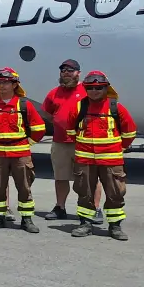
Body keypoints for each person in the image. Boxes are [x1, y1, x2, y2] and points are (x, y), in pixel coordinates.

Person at [65, 71, 137, 240]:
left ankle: (115, 227)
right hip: (85, 160)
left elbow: (129, 131)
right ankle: (85, 224)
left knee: (115, 193)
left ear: (106, 88)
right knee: (85, 192)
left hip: (111, 160)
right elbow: (70, 130)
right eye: (90, 88)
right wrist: (84, 146)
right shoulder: (79, 107)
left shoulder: (116, 107)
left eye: (99, 87)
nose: (95, 91)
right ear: (85, 89)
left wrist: (117, 148)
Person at [0, 68, 45, 233]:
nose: (2, 86)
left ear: (14, 84)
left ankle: (26, 219)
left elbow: (39, 128)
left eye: (5, 82)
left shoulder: (24, 104)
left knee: (25, 187)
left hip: (20, 154)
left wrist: (28, 143)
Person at [42, 59, 101, 222]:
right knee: (60, 177)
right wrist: (57, 120)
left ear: (78, 73)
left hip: (83, 142)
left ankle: (94, 208)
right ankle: (60, 207)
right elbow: (46, 111)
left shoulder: (87, 90)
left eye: (70, 70)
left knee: (89, 178)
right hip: (60, 142)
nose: (66, 73)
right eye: (63, 71)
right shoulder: (54, 92)